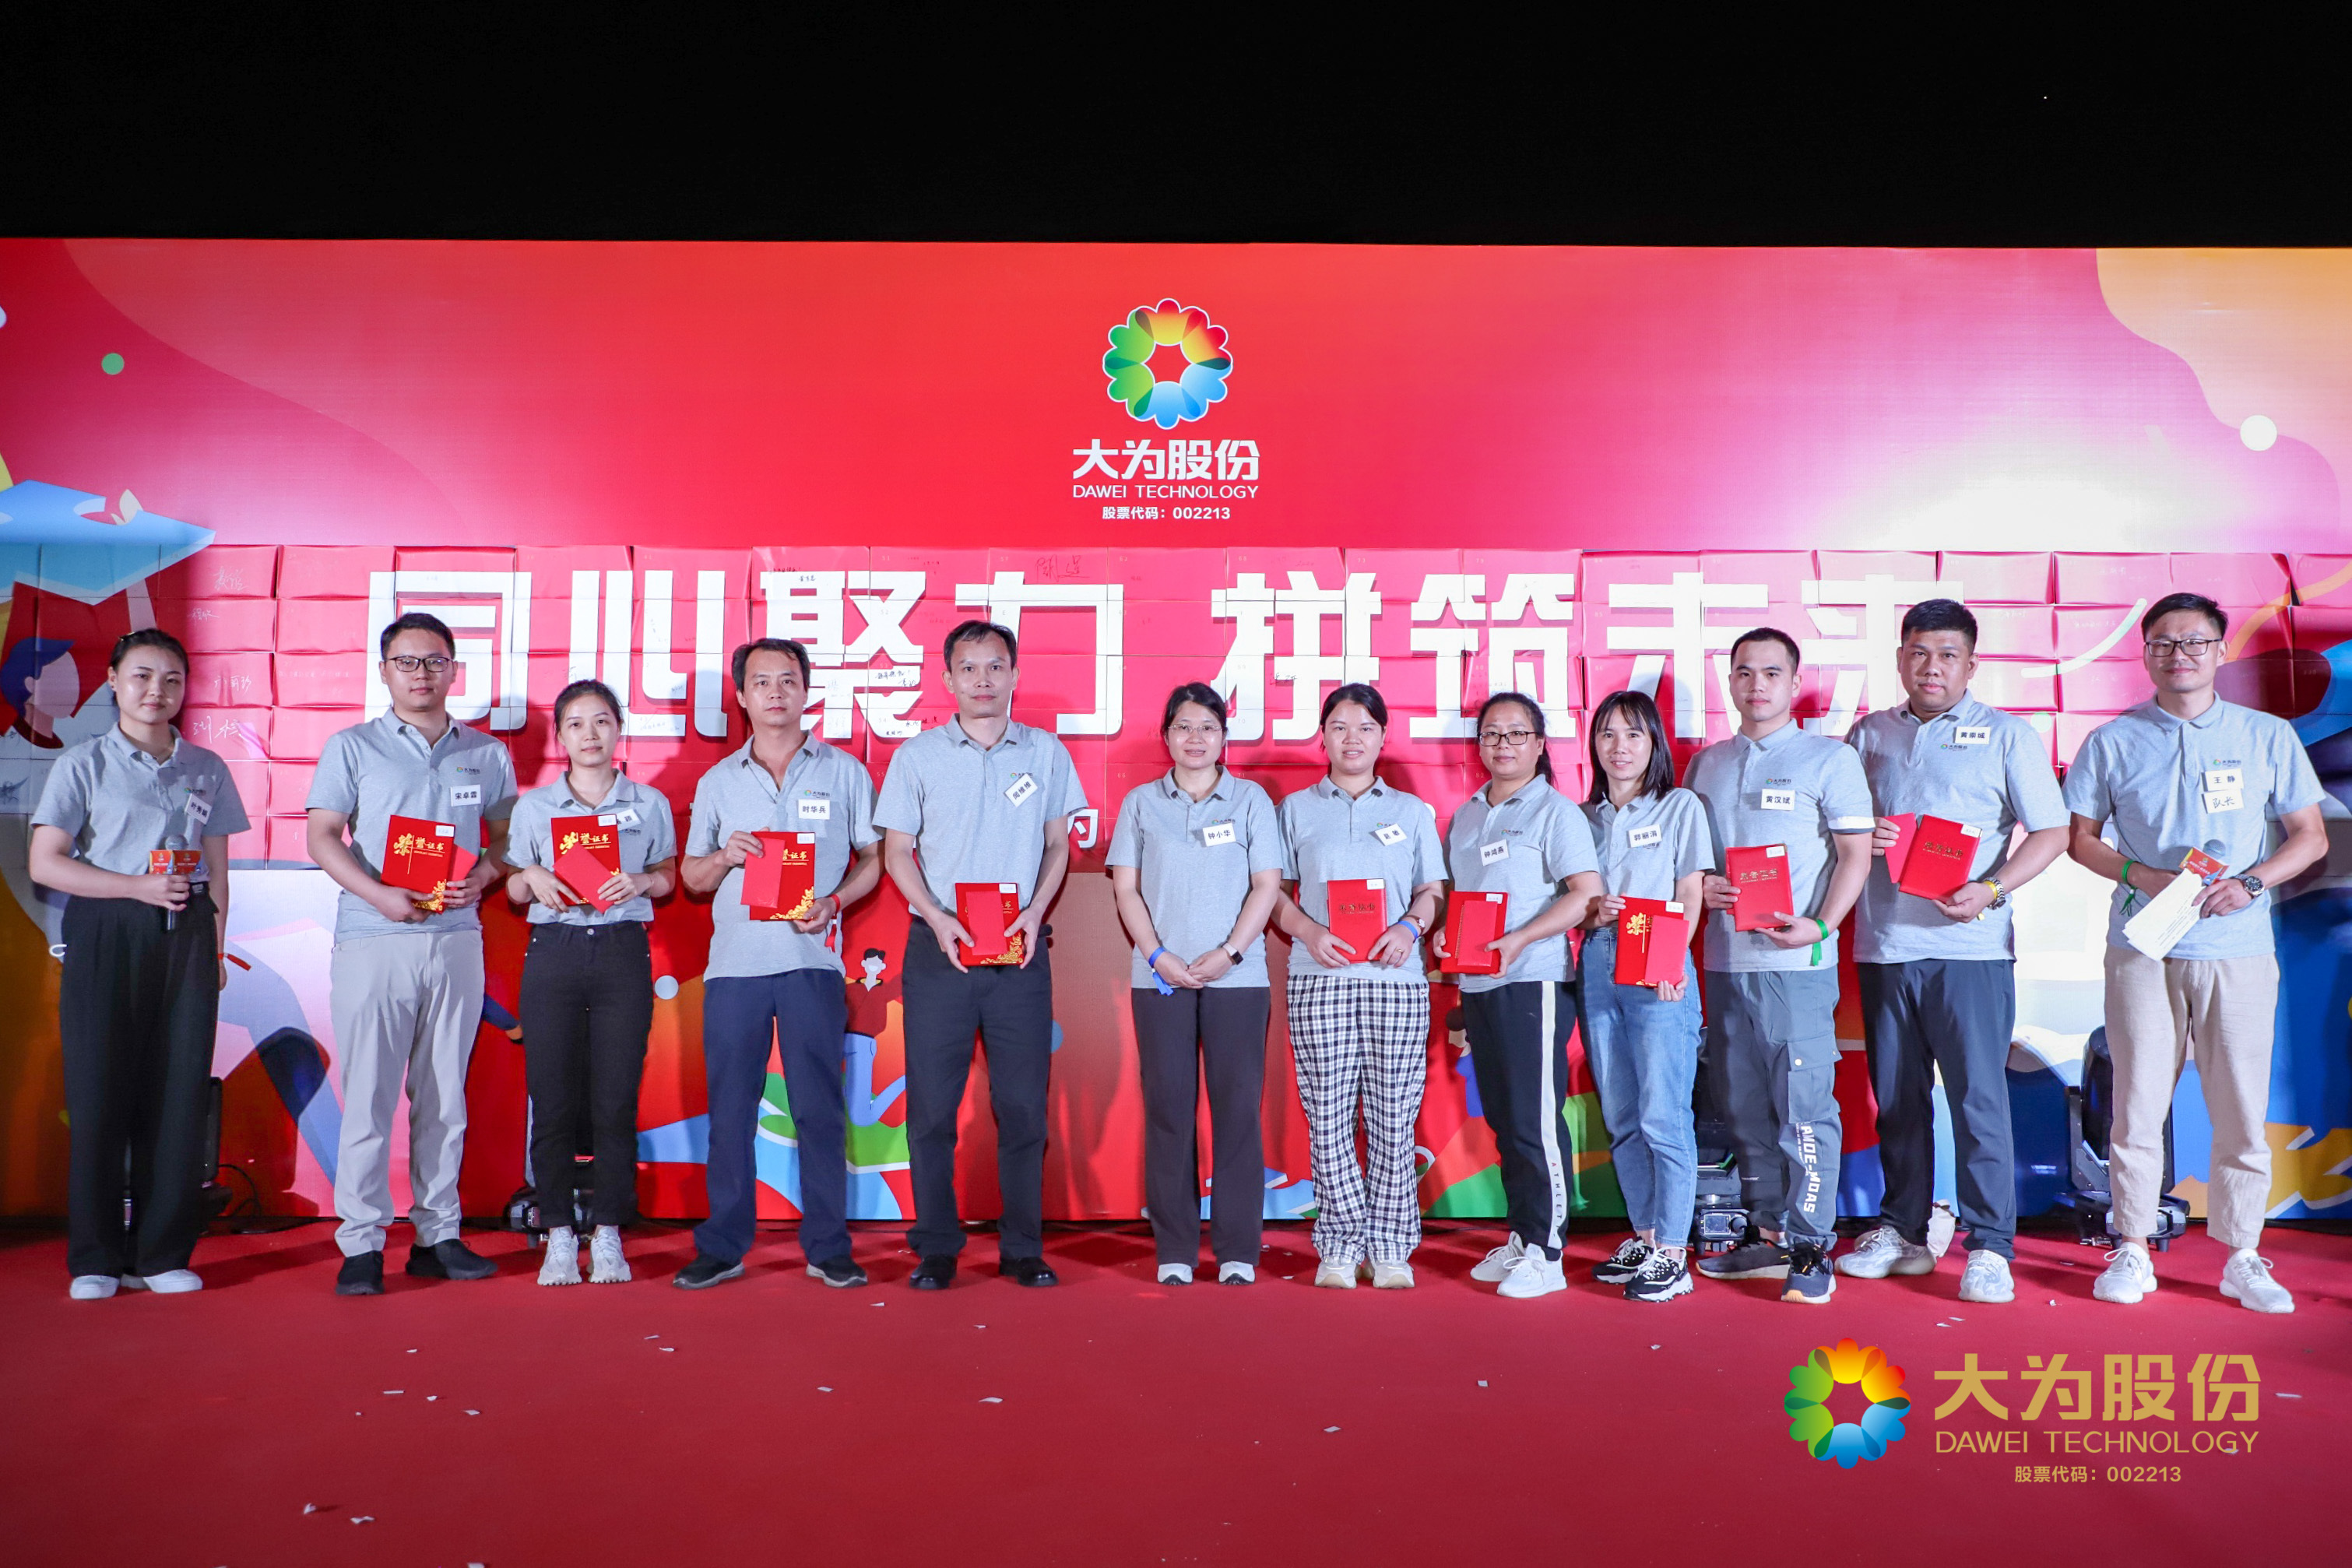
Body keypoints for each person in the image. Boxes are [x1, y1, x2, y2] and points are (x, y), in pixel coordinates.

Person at [2064, 592, 2327, 1314]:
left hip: (2236, 949)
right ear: (2145, 653)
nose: (2178, 655)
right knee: (2135, 1105)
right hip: (2142, 948)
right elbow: (2079, 839)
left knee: (2239, 1107)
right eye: (2162, 643)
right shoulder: (2111, 740)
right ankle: (2131, 1246)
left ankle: (2242, 1254)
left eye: (2193, 642)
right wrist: (2137, 873)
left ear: (2218, 651)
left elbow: (2309, 837)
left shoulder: (2265, 735)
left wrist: (2251, 883)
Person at [1838, 599, 2069, 1304]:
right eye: (1917, 652)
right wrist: (1865, 833)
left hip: (1970, 950)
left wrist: (1991, 889)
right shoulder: (1868, 733)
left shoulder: (2006, 735)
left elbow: (2051, 831)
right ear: (1899, 658)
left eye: (1946, 655)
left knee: (1977, 1100)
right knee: (1897, 1101)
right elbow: (1839, 828)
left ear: (1971, 664)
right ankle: (1904, 1231)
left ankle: (1990, 1246)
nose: (1930, 667)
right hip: (1884, 945)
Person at [30, 629, 250, 1298]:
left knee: (179, 1095)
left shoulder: (206, 767)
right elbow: (46, 863)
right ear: (114, 681)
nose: (158, 691)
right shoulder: (84, 764)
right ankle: (96, 1259)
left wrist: (215, 948)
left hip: (186, 932)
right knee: (98, 1094)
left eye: (172, 679)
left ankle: (160, 1255)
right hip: (108, 929)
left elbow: (217, 870)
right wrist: (135, 887)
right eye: (143, 676)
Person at [307, 612, 516, 1296]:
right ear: (384, 671)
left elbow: (507, 839)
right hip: (375, 938)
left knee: (444, 1095)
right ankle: (362, 1243)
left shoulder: (486, 752)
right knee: (368, 1096)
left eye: (434, 661)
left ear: (454, 670)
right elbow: (323, 836)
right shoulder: (352, 746)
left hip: (455, 938)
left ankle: (437, 1236)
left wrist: (484, 876)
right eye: (407, 662)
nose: (421, 673)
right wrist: (380, 895)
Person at [875, 621, 1088, 1289]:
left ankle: (1022, 1247)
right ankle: (936, 1246)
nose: (982, 680)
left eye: (995, 666)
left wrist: (1035, 910)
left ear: (1015, 675)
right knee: (932, 1111)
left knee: (1023, 1108)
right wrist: (937, 917)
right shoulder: (917, 757)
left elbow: (1058, 845)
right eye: (967, 668)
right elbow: (896, 851)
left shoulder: (1045, 753)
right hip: (938, 952)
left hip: (1019, 953)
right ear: (947, 680)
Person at [673, 638, 881, 1290]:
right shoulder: (718, 781)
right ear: (741, 696)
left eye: (788, 680)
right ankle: (722, 1245)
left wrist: (834, 901)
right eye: (761, 681)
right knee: (730, 1110)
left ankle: (828, 1246)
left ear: (806, 690)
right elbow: (692, 877)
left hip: (810, 963)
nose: (775, 692)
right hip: (734, 968)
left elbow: (874, 859)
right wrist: (724, 857)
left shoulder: (844, 771)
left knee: (819, 1109)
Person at [1686, 628, 1875, 1304]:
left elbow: (1854, 856)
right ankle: (1765, 1233)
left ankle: (1811, 1243)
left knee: (1803, 1109)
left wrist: (1821, 926)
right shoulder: (1705, 766)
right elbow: (1692, 864)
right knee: (1742, 1108)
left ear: (1794, 684)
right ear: (1729, 683)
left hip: (1797, 966)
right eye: (1743, 672)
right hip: (1722, 963)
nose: (1756, 684)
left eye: (1771, 672)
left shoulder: (1829, 759)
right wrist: (1704, 888)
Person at [1106, 682, 1286, 1286]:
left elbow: (1266, 885)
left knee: (1237, 1111)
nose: (1195, 738)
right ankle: (1175, 1249)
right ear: (1165, 736)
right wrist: (1156, 954)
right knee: (1168, 1111)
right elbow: (1126, 889)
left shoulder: (1250, 800)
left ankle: (1237, 1248)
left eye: (1207, 727)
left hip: (1238, 978)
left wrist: (1230, 951)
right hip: (1160, 978)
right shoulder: (1140, 803)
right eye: (1183, 726)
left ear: (1224, 738)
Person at [504, 678, 677, 1287]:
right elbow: (512, 888)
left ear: (618, 729)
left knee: (614, 1098)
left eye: (601, 721)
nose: (590, 734)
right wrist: (532, 875)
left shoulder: (648, 803)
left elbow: (668, 875)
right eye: (575, 723)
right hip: (553, 951)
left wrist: (641, 881)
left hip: (621, 953)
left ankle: (607, 1231)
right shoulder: (535, 808)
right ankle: (556, 1231)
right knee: (552, 1098)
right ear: (560, 736)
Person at [1272, 683, 1446, 1289]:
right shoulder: (1295, 809)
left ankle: (1391, 1246)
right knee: (1327, 1117)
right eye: (1340, 727)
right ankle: (1340, 1244)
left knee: (1394, 1118)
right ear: (1322, 735)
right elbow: (1272, 892)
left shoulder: (1410, 811)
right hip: (1318, 978)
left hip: (1395, 982)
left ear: (1382, 737)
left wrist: (1409, 927)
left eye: (1365, 728)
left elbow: (1432, 890)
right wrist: (1307, 930)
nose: (1352, 739)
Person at [1436, 691, 1601, 1300]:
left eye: (1515, 733)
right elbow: (1462, 899)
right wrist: (1444, 936)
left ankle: (1547, 1251)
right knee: (1505, 1122)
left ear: (1538, 744)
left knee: (1534, 1121)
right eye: (1491, 734)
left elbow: (1585, 893)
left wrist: (1521, 938)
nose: (1502, 744)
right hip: (1479, 983)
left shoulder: (1555, 812)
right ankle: (1522, 1235)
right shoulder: (1466, 816)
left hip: (1533, 980)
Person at [1574, 689, 1713, 1303]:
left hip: (1657, 960)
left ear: (1653, 743)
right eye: (1607, 733)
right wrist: (1591, 911)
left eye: (1633, 734)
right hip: (1599, 960)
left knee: (1663, 1114)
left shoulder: (1679, 806)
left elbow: (1690, 890)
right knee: (1622, 1115)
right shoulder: (1581, 818)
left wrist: (1669, 959)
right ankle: (1646, 1234)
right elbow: (1570, 903)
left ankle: (1673, 1254)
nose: (1619, 747)